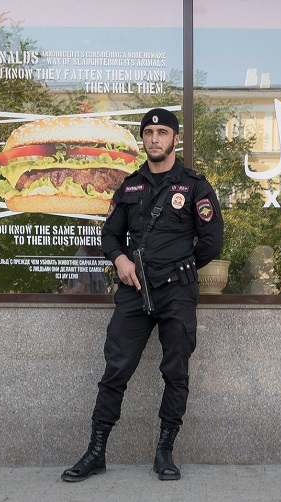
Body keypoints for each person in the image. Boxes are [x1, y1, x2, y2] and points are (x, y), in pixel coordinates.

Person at [61, 108, 224, 482]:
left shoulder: (195, 186)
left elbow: (212, 241)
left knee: (176, 372)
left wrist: (179, 268)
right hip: (134, 292)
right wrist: (119, 259)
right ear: (143, 139)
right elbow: (110, 235)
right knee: (115, 370)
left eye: (162, 132)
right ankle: (96, 451)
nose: (155, 138)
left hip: (177, 293)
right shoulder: (130, 185)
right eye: (149, 132)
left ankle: (164, 453)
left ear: (175, 140)